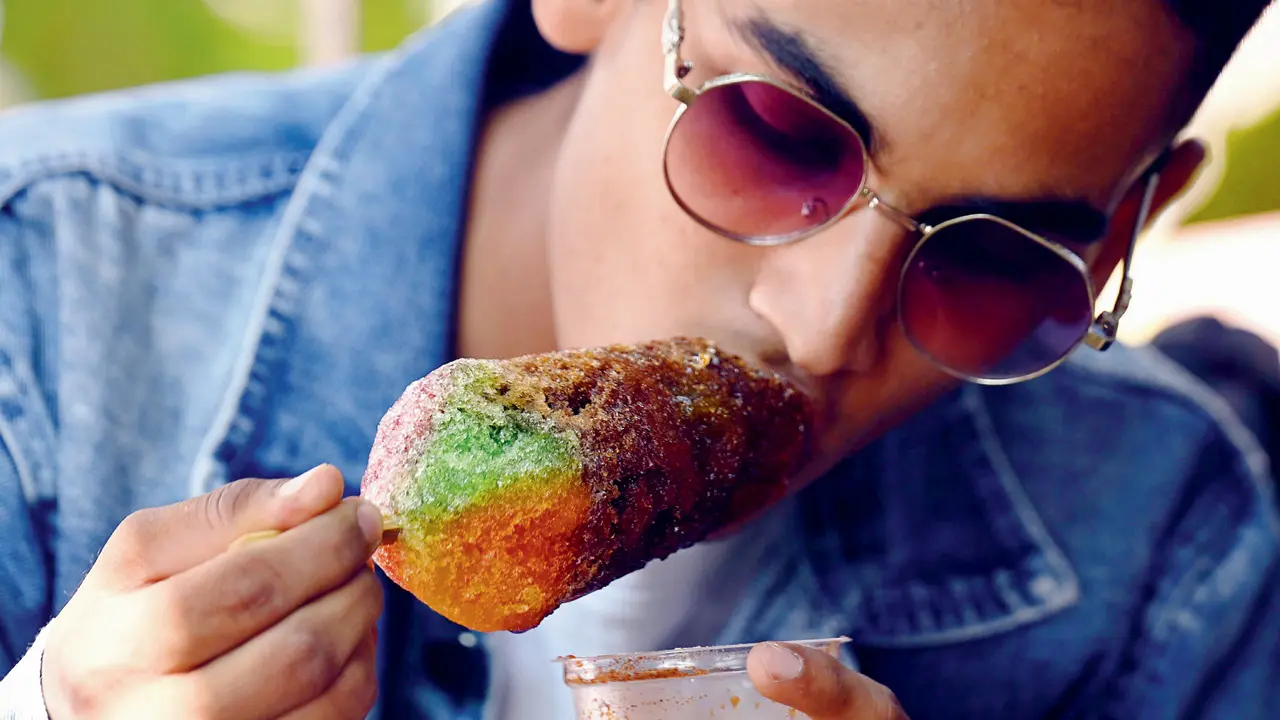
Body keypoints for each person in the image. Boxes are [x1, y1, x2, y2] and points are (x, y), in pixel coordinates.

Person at [0, 0, 1276, 717]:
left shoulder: (1171, 547)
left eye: (994, 261)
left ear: (1123, 228)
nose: (823, 325)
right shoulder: (35, 308)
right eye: (779, 132)